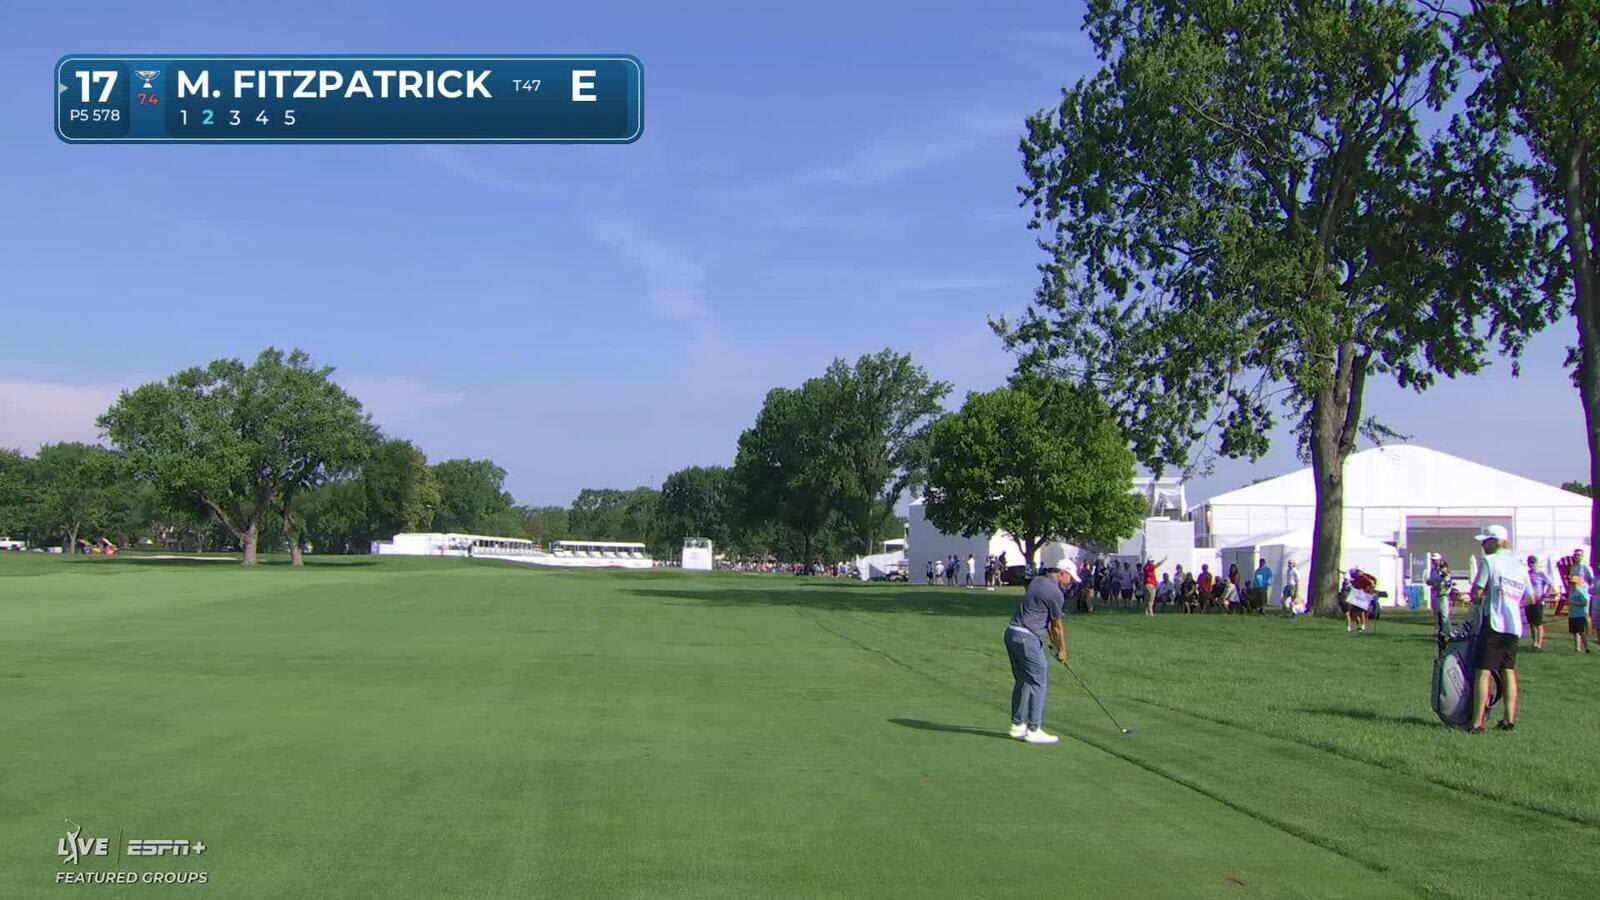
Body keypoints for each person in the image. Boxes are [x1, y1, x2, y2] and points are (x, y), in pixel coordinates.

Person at [1004, 560, 1076, 744]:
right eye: (1070, 578)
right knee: (1038, 681)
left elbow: (1046, 621)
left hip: (1012, 633)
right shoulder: (1056, 593)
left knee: (1024, 679)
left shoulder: (1037, 581)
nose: (1070, 582)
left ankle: (1017, 725)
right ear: (1062, 573)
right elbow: (1057, 626)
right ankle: (1034, 729)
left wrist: (1053, 643)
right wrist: (1062, 650)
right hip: (1027, 637)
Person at [1469, 524, 1524, 733]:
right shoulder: (1519, 565)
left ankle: (1477, 722)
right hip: (1513, 625)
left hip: (1494, 622)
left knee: (1483, 672)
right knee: (1508, 671)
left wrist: (1479, 597)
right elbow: (1528, 597)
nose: (1483, 545)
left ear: (1495, 541)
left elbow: (1477, 592)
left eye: (1485, 541)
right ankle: (1509, 719)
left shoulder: (1490, 562)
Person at [1525, 555, 1553, 652]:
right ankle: (1534, 642)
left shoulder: (1541, 573)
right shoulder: (1527, 574)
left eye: (1533, 562)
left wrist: (1544, 596)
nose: (1531, 564)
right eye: (1529, 563)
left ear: (1536, 563)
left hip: (1538, 601)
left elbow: (1550, 585)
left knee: (1538, 623)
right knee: (1531, 623)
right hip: (1529, 601)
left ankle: (1539, 643)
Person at [1346, 568, 1377, 633]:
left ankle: (1366, 630)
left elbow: (1372, 584)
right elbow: (1354, 583)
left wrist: (1366, 591)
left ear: (1362, 571)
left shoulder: (1365, 578)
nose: (1357, 573)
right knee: (1355, 613)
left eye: (1359, 571)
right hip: (1358, 598)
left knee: (1364, 615)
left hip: (1363, 598)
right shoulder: (1358, 578)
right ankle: (1355, 629)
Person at [1568, 574, 1591, 653]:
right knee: (1575, 632)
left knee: (1581, 632)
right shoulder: (1571, 592)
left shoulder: (1580, 592)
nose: (1572, 585)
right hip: (1572, 614)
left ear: (1578, 583)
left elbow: (1585, 603)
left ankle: (1586, 647)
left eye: (1574, 583)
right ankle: (1577, 648)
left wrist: (1573, 602)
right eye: (1571, 583)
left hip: (1579, 614)